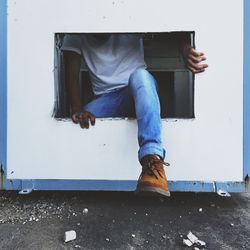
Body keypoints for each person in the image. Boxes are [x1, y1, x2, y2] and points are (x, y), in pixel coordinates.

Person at [61, 34, 208, 197]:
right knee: (77, 120)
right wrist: (76, 108)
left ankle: (152, 160)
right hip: (107, 99)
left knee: (140, 76)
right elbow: (71, 74)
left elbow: (166, 24)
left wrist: (185, 48)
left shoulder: (126, 14)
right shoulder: (77, 32)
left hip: (139, 89)